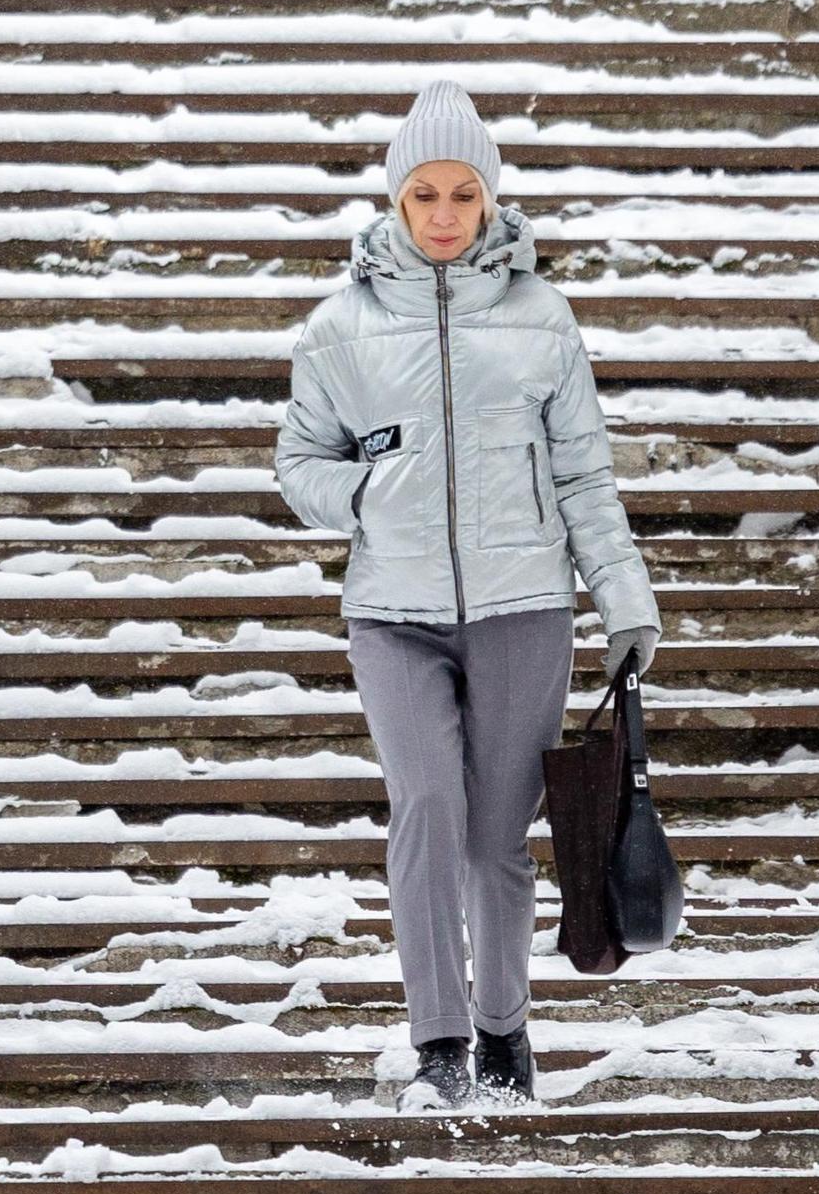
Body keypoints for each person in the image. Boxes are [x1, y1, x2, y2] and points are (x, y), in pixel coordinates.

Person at [272, 82, 662, 1111]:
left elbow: (582, 472)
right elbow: (296, 463)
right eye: (422, 195)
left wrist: (622, 599)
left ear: (488, 200)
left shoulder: (540, 318)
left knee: (496, 835)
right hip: (390, 614)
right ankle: (437, 1040)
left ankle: (503, 1035)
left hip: (523, 607)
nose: (443, 214)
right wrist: (361, 489)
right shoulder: (336, 328)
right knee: (427, 810)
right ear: (393, 204)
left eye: (461, 194)